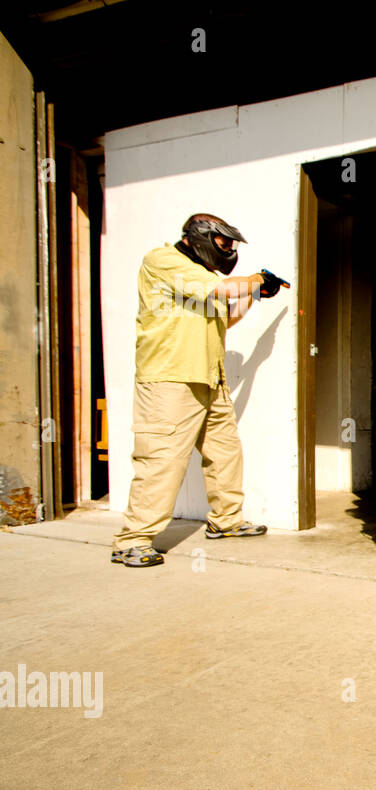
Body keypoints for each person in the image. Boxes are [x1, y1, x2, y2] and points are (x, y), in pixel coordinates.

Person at [111, 213, 284, 567]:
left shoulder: (203, 278)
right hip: (169, 379)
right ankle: (132, 540)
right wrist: (253, 279)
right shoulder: (163, 261)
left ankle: (226, 521)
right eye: (224, 244)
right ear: (202, 238)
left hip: (209, 378)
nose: (229, 251)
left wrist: (254, 292)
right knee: (161, 459)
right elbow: (221, 289)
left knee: (224, 453)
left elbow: (226, 317)